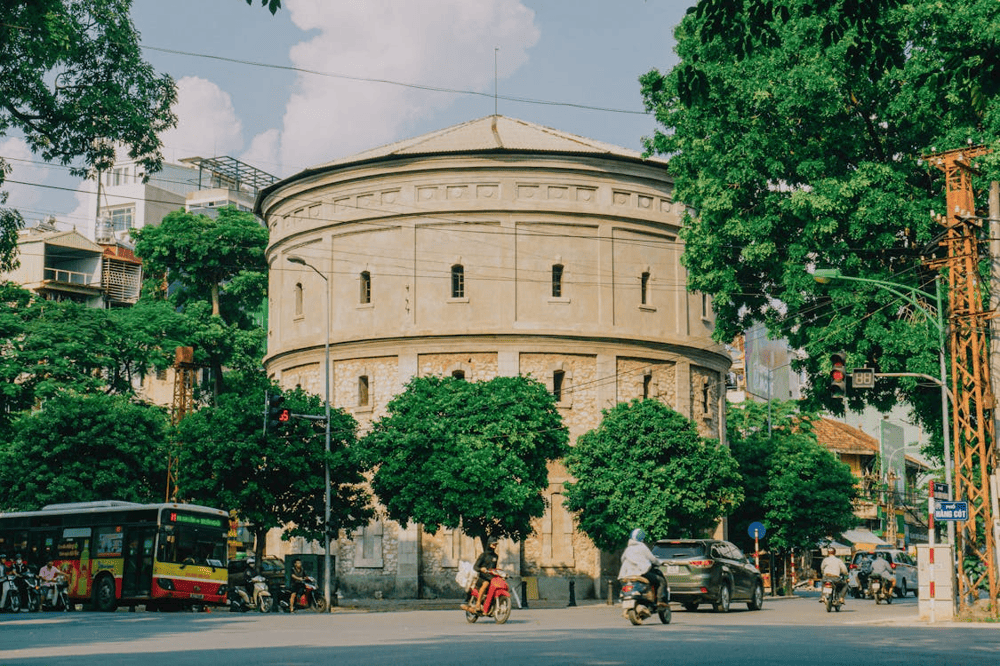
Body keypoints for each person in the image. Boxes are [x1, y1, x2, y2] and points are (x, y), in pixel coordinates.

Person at [617, 528, 667, 606]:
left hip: (627, 574)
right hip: (641, 573)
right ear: (641, 538)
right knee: (661, 581)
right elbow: (652, 559)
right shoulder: (642, 547)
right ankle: (660, 601)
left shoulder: (628, 549)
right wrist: (660, 563)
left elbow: (622, 559)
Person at [463, 537, 500, 613]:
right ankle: (478, 603)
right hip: (482, 577)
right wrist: (481, 569)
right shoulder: (483, 555)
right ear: (489, 544)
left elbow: (494, 568)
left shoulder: (495, 556)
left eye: (495, 544)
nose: (494, 546)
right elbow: (475, 566)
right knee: (486, 583)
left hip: (491, 577)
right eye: (493, 544)